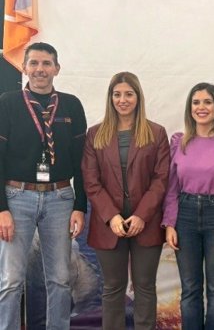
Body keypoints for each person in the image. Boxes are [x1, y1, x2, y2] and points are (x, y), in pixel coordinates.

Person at [0, 42, 87, 330]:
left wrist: (79, 206)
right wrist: (1, 208)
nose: (40, 69)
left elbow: (81, 163)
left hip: (60, 198)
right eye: (34, 63)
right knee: (11, 279)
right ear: (24, 67)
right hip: (17, 198)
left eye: (46, 63)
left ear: (57, 69)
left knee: (61, 278)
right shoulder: (7, 103)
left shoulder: (72, 105)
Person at [81, 72, 170, 329]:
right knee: (112, 288)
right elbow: (91, 181)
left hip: (147, 224)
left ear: (138, 97)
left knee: (145, 287)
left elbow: (161, 179)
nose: (123, 100)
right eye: (117, 94)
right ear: (110, 98)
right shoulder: (95, 134)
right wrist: (112, 216)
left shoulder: (156, 133)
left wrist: (142, 215)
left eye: (128, 94)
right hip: (109, 226)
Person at [162, 83, 214, 329]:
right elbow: (172, 189)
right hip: (185, 217)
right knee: (190, 289)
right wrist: (169, 224)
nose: (201, 107)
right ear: (190, 108)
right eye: (196, 102)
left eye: (207, 102)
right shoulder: (179, 142)